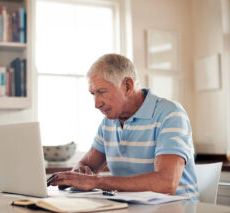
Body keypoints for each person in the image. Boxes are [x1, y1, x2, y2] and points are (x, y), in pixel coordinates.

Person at [47, 54, 199, 200]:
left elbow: (166, 183)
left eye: (101, 92)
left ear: (127, 86)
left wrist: (95, 182)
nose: (96, 103)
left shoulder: (170, 114)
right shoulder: (109, 122)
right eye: (93, 93)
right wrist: (80, 174)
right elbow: (87, 164)